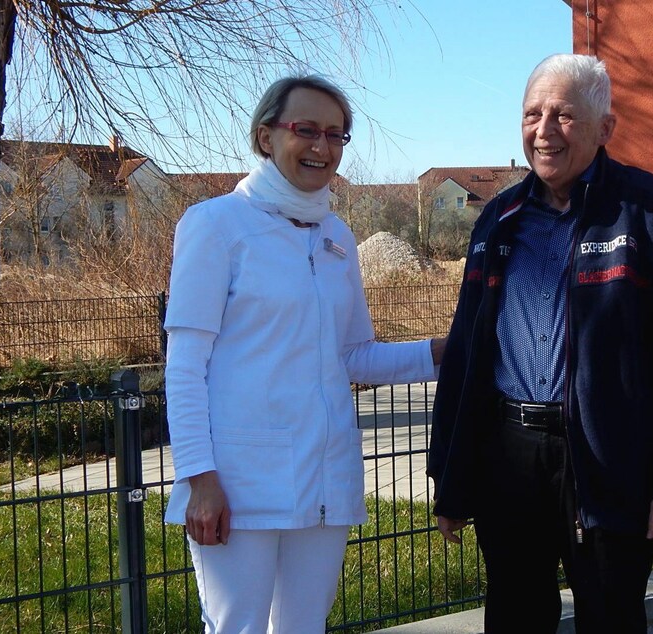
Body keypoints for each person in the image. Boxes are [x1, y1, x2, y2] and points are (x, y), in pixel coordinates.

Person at [427, 54, 653, 633]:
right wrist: (450, 472)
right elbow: (467, 351)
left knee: (611, 618)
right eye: (532, 114)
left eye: (563, 116)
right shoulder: (498, 218)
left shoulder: (650, 210)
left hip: (611, 458)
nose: (543, 131)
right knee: (514, 616)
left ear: (604, 128)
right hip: (509, 456)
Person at [163, 74, 444, 634]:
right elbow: (185, 367)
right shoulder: (216, 225)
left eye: (336, 134)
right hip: (239, 483)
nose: (323, 146)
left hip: (324, 477)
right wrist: (201, 478)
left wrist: (441, 352)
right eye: (306, 130)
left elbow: (354, 357)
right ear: (266, 137)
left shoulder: (336, 236)